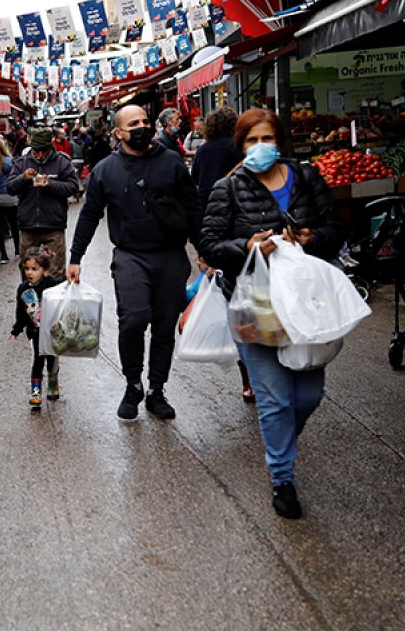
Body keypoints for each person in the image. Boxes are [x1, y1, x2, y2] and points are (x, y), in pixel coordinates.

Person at [200, 108, 343, 520]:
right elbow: (209, 244)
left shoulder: (307, 177)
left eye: (267, 139)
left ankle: (280, 446)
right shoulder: (227, 187)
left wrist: (312, 237)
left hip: (306, 303)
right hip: (254, 306)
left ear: (280, 141)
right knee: (275, 399)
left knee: (308, 394)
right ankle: (282, 478)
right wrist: (246, 247)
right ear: (240, 146)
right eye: (251, 141)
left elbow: (336, 230)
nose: (260, 148)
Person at [67, 104, 202, 421]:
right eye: (133, 123)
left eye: (144, 120)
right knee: (133, 319)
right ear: (118, 133)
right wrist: (76, 257)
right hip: (130, 256)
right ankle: (132, 384)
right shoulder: (105, 170)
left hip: (170, 255)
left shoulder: (171, 162)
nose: (142, 126)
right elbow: (89, 215)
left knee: (165, 326)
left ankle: (156, 390)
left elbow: (192, 207)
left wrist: (205, 249)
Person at [191, 106, 254, 402]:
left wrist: (204, 245)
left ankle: (248, 378)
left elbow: (198, 192)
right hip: (246, 231)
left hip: (217, 233)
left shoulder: (203, 153)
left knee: (235, 302)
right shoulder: (240, 149)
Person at [6, 127, 81, 279]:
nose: (40, 155)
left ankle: (52, 303)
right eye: (36, 151)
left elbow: (73, 187)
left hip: (53, 226)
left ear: (50, 146)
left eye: (43, 150)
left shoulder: (62, 161)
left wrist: (50, 184)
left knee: (55, 275)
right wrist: (23, 178)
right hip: (28, 226)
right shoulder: (22, 163)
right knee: (29, 275)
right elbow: (10, 188)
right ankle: (31, 303)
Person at [10, 247, 63, 408]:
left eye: (34, 269)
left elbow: (65, 288)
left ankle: (53, 382)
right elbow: (21, 311)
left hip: (52, 332)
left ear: (45, 271)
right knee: (37, 362)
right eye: (26, 269)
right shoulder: (23, 288)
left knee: (52, 361)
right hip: (35, 333)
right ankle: (35, 393)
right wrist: (16, 329)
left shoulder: (52, 285)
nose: (29, 273)